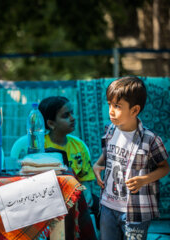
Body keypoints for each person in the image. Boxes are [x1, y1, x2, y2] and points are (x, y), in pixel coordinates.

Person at [92, 76, 169, 240]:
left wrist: (144, 179)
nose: (111, 111)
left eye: (117, 106)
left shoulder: (150, 139)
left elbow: (165, 167)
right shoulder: (110, 130)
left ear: (134, 110)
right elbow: (108, 154)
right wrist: (97, 166)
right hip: (107, 207)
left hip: (135, 212)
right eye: (110, 105)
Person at [38, 96, 98, 240]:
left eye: (72, 113)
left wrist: (87, 194)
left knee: (98, 205)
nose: (72, 118)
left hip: (76, 194)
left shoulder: (79, 146)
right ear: (51, 124)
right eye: (66, 115)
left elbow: (85, 179)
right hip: (49, 196)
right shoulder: (40, 146)